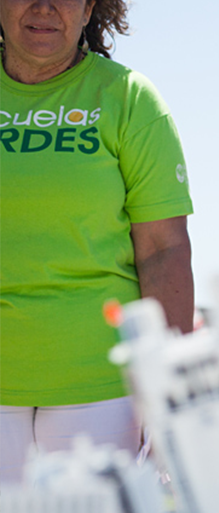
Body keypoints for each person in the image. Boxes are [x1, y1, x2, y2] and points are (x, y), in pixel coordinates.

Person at [0, 0, 193, 484]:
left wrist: (168, 388)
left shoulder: (129, 99)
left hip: (104, 389)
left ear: (88, 9)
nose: (44, 7)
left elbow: (163, 249)